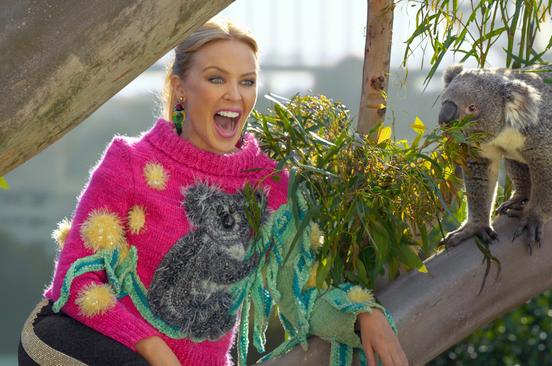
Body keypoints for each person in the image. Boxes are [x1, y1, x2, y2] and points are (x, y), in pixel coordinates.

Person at [18, 19, 408, 366]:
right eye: (216, 79)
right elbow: (76, 281)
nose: (234, 95)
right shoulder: (129, 162)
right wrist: (152, 348)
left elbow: (301, 290)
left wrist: (361, 315)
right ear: (180, 89)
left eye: (247, 81)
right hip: (72, 347)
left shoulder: (271, 184)